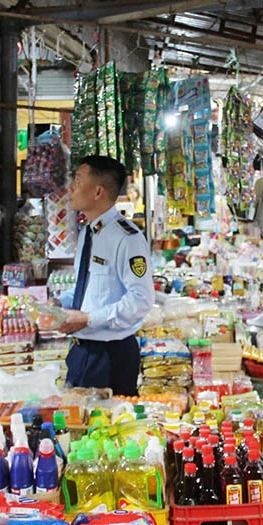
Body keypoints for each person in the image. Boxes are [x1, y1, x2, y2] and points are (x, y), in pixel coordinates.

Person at [55, 155, 154, 396]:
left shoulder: (126, 237)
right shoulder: (90, 232)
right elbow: (87, 287)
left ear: (98, 191)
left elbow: (141, 299)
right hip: (83, 351)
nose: (71, 188)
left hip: (110, 356)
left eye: (78, 180)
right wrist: (58, 304)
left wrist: (89, 319)